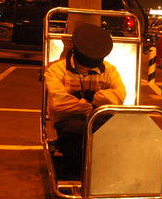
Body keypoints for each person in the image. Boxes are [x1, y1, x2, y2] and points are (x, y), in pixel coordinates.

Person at [45, 23, 126, 177]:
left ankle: (107, 173)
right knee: (77, 133)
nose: (86, 70)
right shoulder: (56, 70)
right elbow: (59, 104)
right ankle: (75, 175)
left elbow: (119, 96)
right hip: (69, 121)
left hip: (99, 118)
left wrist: (88, 99)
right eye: (84, 65)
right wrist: (92, 106)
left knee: (121, 132)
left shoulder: (109, 70)